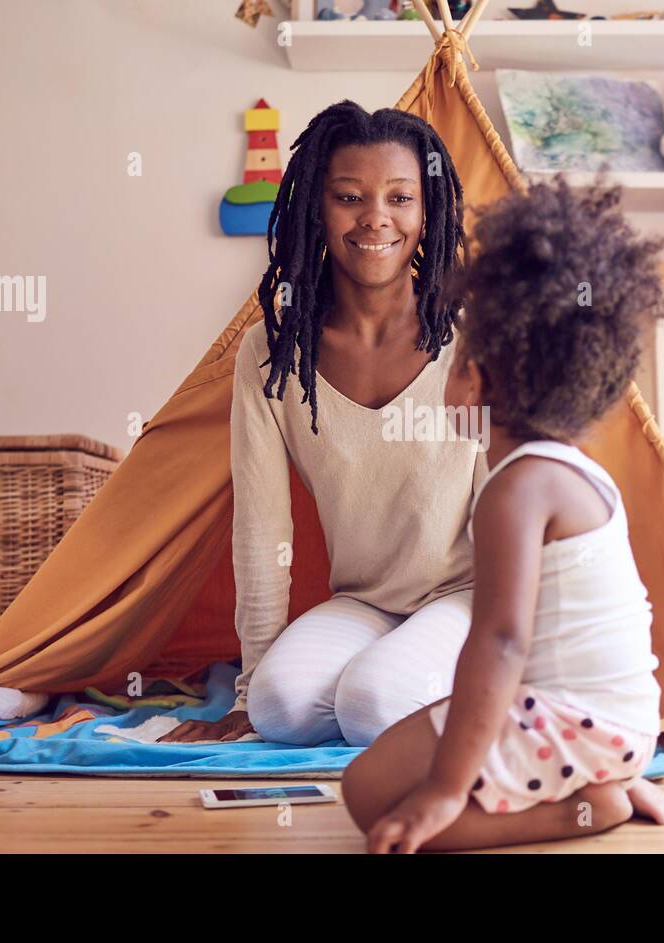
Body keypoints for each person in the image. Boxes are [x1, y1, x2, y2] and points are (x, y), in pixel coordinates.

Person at [340, 175, 664, 851]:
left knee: (369, 795)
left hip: (576, 724)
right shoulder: (574, 471)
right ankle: (594, 782)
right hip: (627, 723)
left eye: (458, 358)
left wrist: (441, 788)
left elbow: (499, 642)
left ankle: (589, 807)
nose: (449, 370)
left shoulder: (514, 491)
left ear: (483, 378)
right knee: (423, 744)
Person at [161, 101, 485, 746]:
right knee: (280, 710)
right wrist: (248, 692)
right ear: (316, 205)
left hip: (470, 595)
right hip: (364, 601)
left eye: (400, 197)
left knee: (373, 704)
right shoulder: (270, 350)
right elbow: (261, 526)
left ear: (428, 211)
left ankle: (479, 699)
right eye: (349, 196)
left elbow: (517, 499)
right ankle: (395, 680)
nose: (375, 218)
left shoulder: (473, 335)